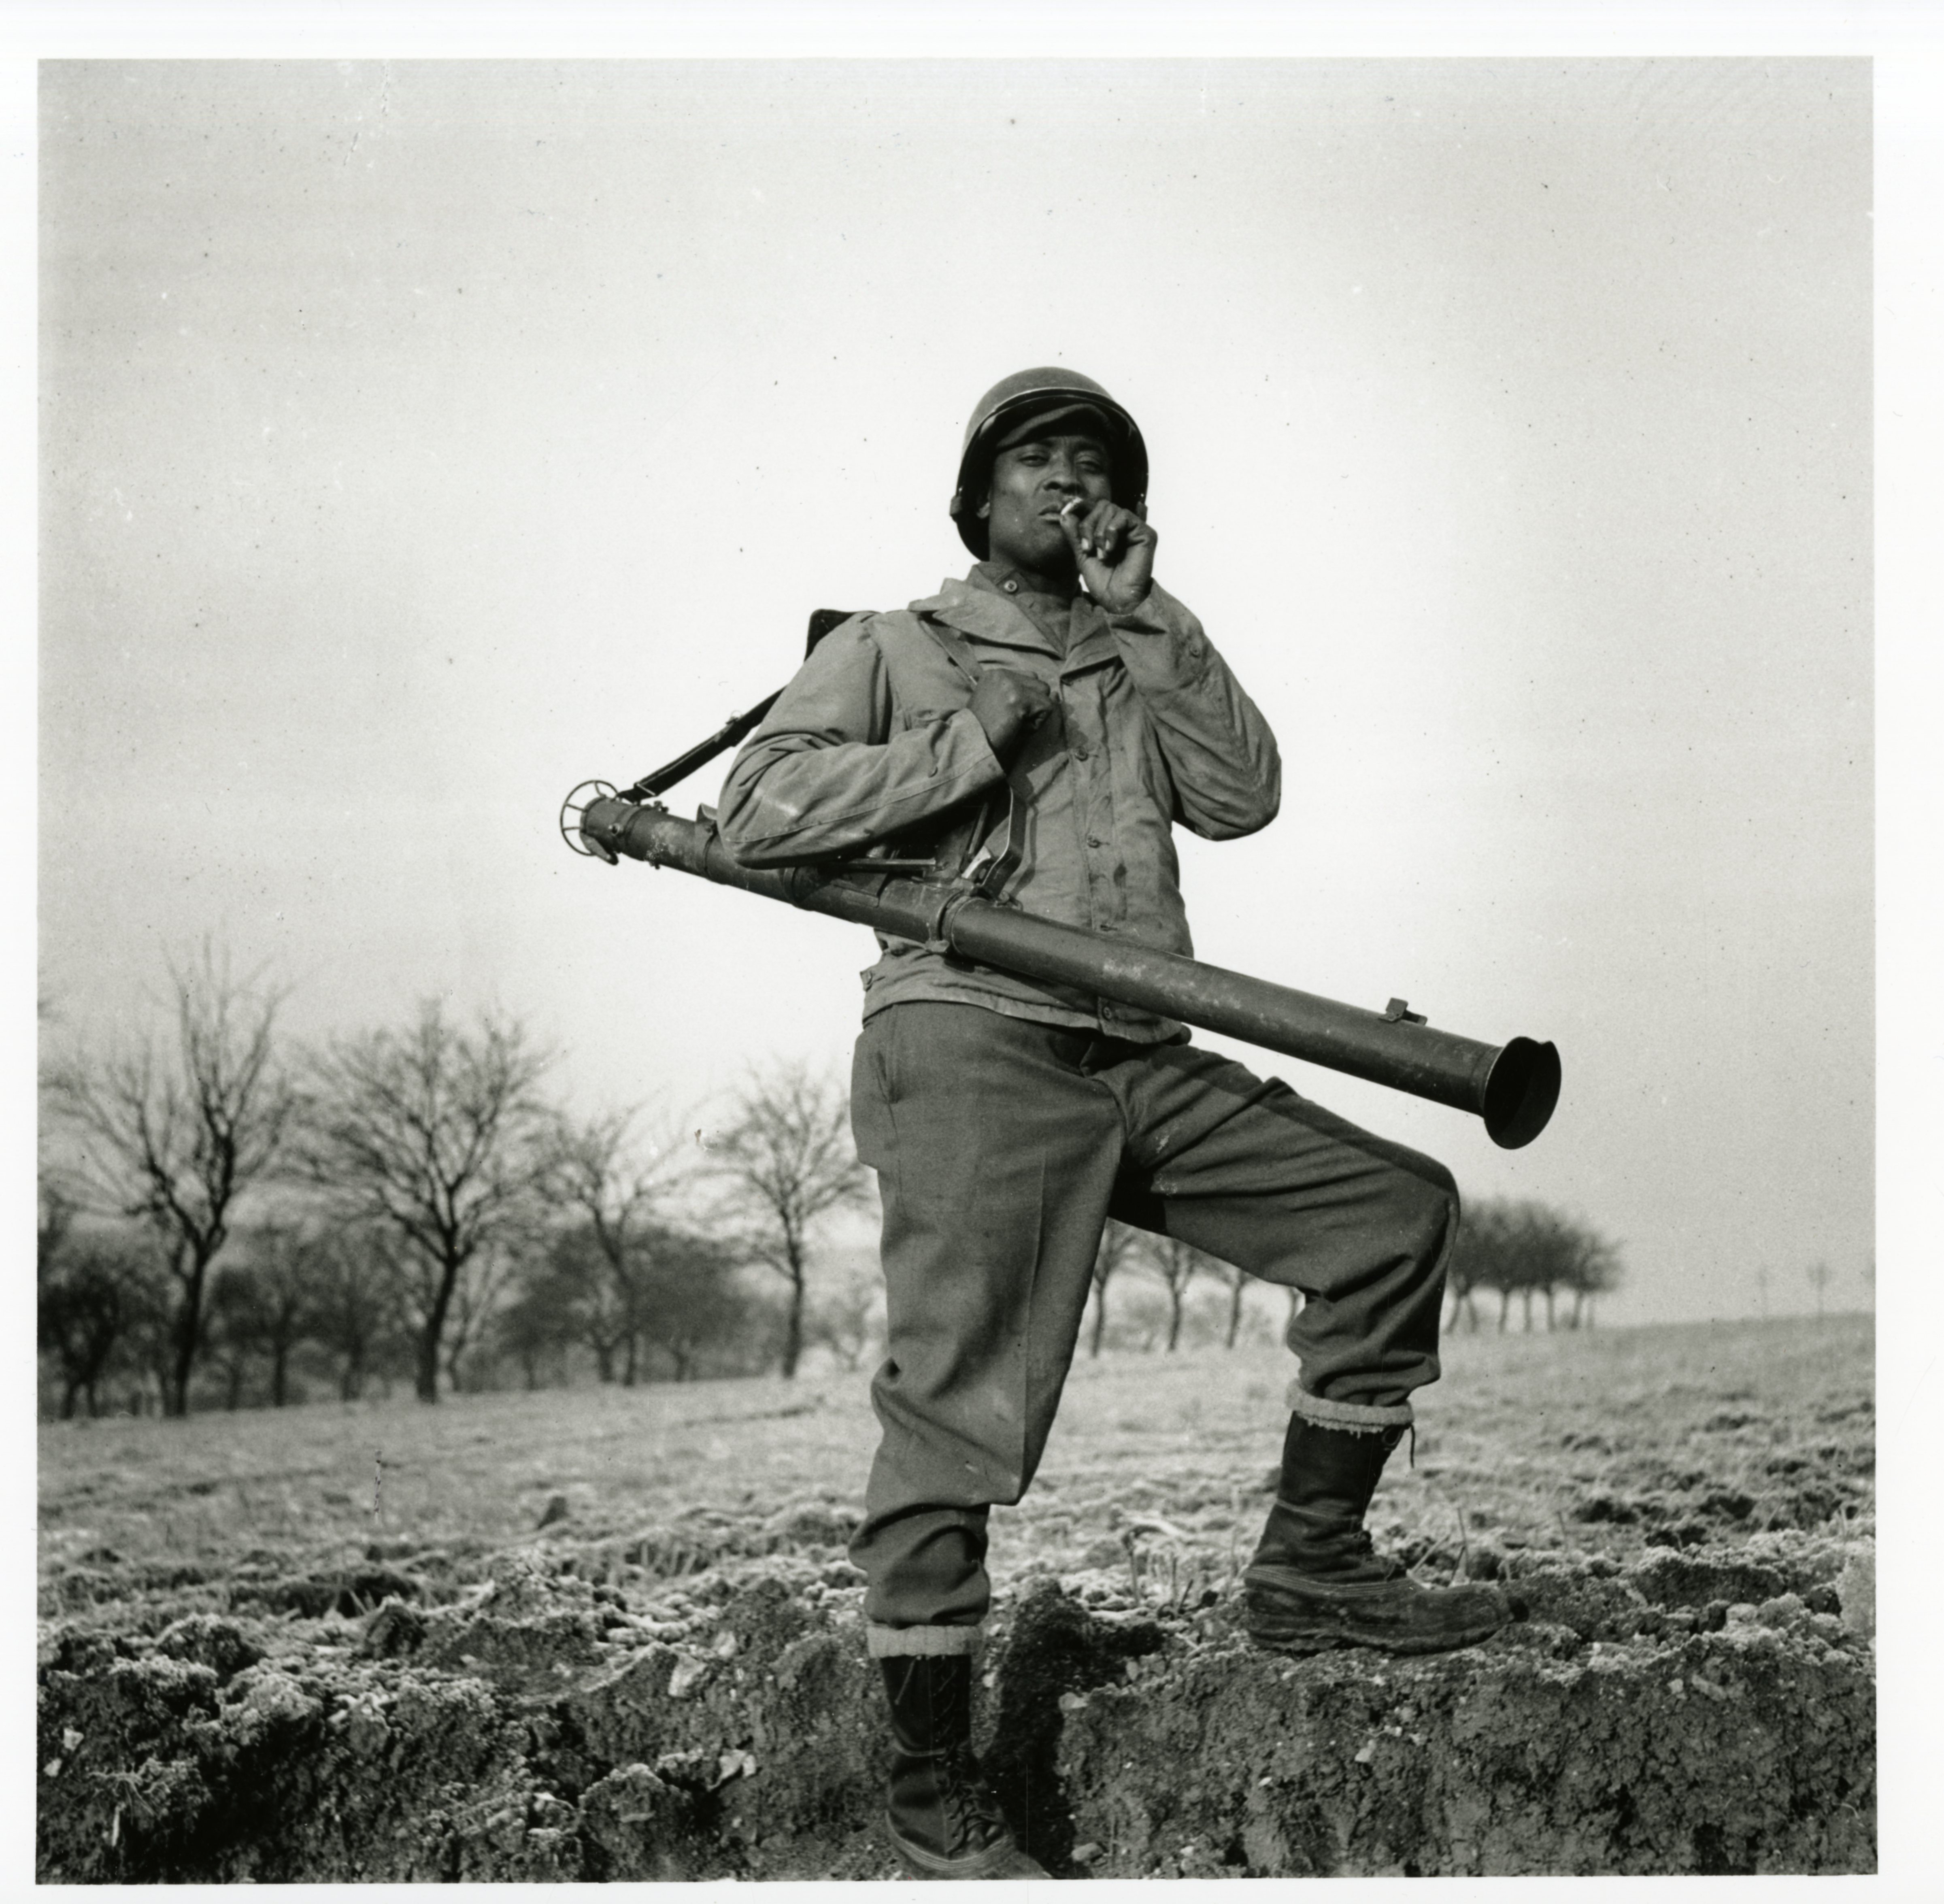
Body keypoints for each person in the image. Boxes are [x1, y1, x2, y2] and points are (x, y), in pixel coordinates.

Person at [716, 368, 1510, 1880]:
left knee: (1390, 1218)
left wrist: (1152, 618)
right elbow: (760, 813)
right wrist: (974, 742)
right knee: (958, 1404)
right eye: (1039, 460)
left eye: (1097, 463)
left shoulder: (1140, 650)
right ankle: (930, 1784)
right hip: (970, 1039)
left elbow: (1245, 796)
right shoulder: (898, 643)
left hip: (1139, 1040)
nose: (1071, 483)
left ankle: (1312, 1570)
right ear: (978, 497)